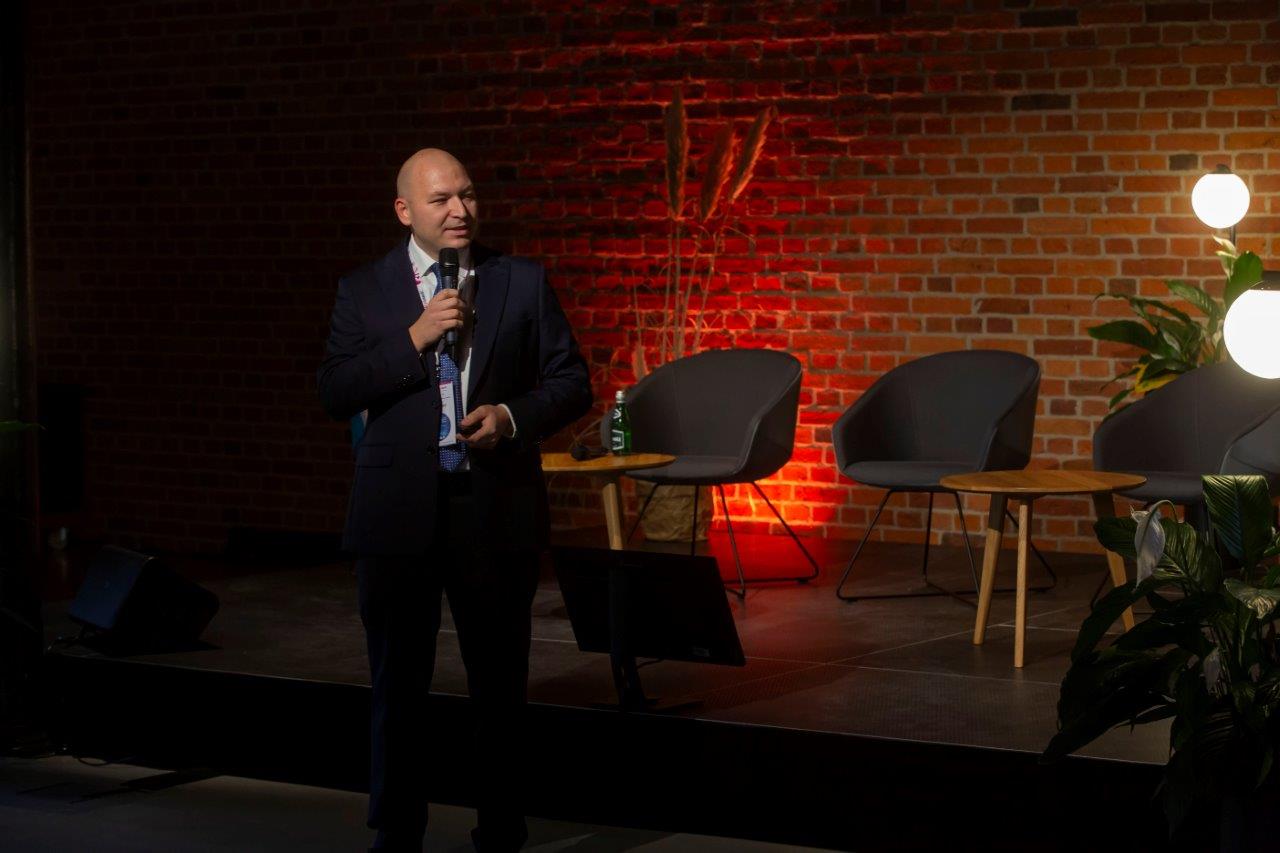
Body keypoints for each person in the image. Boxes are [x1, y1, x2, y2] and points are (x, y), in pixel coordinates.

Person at [318, 148, 592, 852]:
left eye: (467, 195)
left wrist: (511, 417)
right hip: (396, 511)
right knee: (397, 683)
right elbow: (336, 391)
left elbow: (572, 382)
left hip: (492, 505)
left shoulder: (520, 281)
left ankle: (501, 827)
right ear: (404, 210)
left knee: (499, 684)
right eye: (440, 199)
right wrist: (414, 337)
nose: (459, 210)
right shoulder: (365, 289)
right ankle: (396, 830)